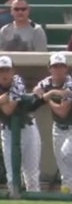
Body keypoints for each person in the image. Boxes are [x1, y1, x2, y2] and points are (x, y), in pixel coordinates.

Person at [33, 53, 72, 195]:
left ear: (66, 68)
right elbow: (36, 89)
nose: (58, 70)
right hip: (58, 129)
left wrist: (49, 97)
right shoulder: (46, 82)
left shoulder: (71, 83)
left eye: (61, 66)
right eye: (55, 67)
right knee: (63, 166)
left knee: (68, 153)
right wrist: (41, 93)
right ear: (49, 68)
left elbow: (62, 112)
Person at [0, 55, 40, 194]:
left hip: (28, 128)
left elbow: (9, 109)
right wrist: (3, 99)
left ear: (12, 71)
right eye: (1, 70)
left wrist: (3, 100)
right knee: (12, 175)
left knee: (32, 174)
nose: (4, 74)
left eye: (7, 70)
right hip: (8, 131)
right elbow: (6, 108)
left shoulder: (18, 81)